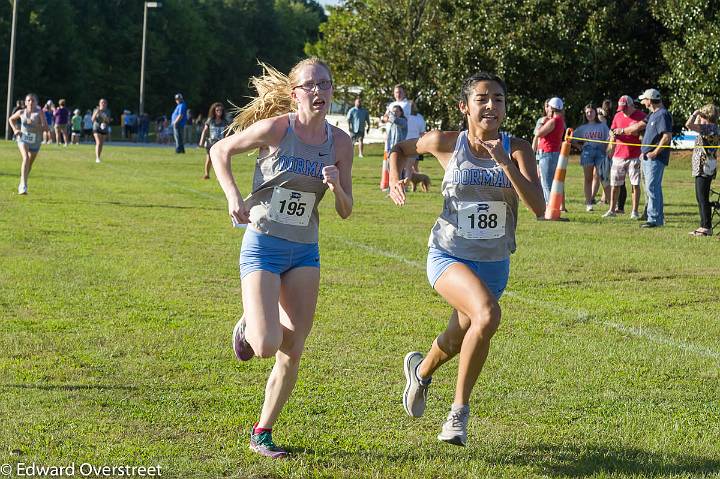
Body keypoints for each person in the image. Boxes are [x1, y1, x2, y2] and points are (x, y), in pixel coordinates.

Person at [388, 72, 545, 447]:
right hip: (448, 254)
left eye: (499, 99)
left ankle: (421, 371)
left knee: (459, 337)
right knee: (487, 315)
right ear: (465, 107)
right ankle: (458, 415)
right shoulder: (445, 142)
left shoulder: (518, 147)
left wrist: (506, 163)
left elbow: (539, 206)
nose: (491, 105)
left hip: (493, 262)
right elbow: (400, 149)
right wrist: (396, 176)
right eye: (482, 98)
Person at [210, 58, 353, 458]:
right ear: (295, 93)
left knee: (294, 347)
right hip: (264, 242)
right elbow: (221, 150)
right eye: (311, 85)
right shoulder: (278, 128)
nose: (320, 91)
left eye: (325, 84)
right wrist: (233, 197)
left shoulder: (340, 143)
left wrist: (338, 187)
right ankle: (247, 328)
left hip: (304, 249)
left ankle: (263, 431)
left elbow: (346, 209)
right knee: (268, 344)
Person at [604, 95, 646, 219]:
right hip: (619, 154)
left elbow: (642, 133)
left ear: (631, 106)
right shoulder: (617, 116)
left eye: (625, 108)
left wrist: (630, 132)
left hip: (635, 155)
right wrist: (612, 134)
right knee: (615, 184)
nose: (623, 111)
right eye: (621, 109)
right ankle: (612, 209)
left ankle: (634, 211)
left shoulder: (642, 116)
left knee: (635, 184)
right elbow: (612, 130)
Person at [637, 88, 673, 228]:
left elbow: (666, 137)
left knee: (652, 187)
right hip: (647, 157)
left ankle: (654, 219)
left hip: (655, 158)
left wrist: (655, 152)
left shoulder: (662, 114)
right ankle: (656, 217)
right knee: (651, 187)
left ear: (650, 101)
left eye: (644, 99)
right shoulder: (653, 114)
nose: (643, 102)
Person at [685, 104, 720, 236]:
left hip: (703, 166)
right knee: (702, 197)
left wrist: (695, 114)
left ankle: (706, 227)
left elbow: (688, 124)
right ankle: (703, 225)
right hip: (708, 165)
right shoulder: (714, 128)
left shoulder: (707, 128)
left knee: (702, 197)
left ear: (706, 116)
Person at [7, 93, 49, 195]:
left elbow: (46, 128)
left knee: (29, 163)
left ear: (36, 103)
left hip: (35, 142)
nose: (30, 102)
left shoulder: (40, 113)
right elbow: (11, 119)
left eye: (33, 100)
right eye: (28, 100)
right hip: (23, 139)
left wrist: (35, 125)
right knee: (25, 158)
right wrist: (16, 129)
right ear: (25, 102)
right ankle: (23, 185)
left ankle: (23, 177)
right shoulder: (21, 112)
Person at [573, 104, 610, 211]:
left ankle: (612, 205)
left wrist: (607, 149)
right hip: (587, 153)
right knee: (588, 179)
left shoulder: (602, 126)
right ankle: (589, 203)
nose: (589, 114)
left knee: (604, 178)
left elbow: (609, 139)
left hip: (600, 153)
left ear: (595, 112)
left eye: (591, 112)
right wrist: (579, 146)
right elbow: (571, 138)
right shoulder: (582, 128)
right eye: (587, 112)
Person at [535, 97, 566, 206]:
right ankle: (556, 206)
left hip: (547, 153)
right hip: (555, 153)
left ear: (552, 108)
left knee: (546, 183)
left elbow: (538, 133)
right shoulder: (561, 121)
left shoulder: (553, 121)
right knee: (554, 182)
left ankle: (549, 206)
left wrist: (542, 123)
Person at [198, 102, 229, 179]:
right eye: (217, 110)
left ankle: (221, 176)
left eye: (220, 110)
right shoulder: (210, 120)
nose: (219, 112)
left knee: (221, 160)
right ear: (214, 111)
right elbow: (205, 130)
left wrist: (226, 141)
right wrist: (201, 142)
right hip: (211, 143)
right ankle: (206, 174)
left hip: (220, 143)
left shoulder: (224, 121)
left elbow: (227, 132)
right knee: (209, 159)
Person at [406, 101, 427, 174]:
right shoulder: (405, 116)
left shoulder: (419, 117)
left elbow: (422, 132)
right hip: (406, 142)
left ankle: (415, 180)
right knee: (408, 165)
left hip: (416, 143)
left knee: (414, 165)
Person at [92, 98, 112, 163]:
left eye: (104, 103)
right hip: (96, 128)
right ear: (99, 103)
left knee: (101, 144)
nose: (103, 104)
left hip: (104, 128)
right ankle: (97, 158)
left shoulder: (108, 111)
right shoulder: (95, 110)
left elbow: (108, 121)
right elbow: (92, 119)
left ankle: (99, 157)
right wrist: (97, 112)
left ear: (106, 104)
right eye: (102, 102)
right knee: (98, 142)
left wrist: (104, 116)